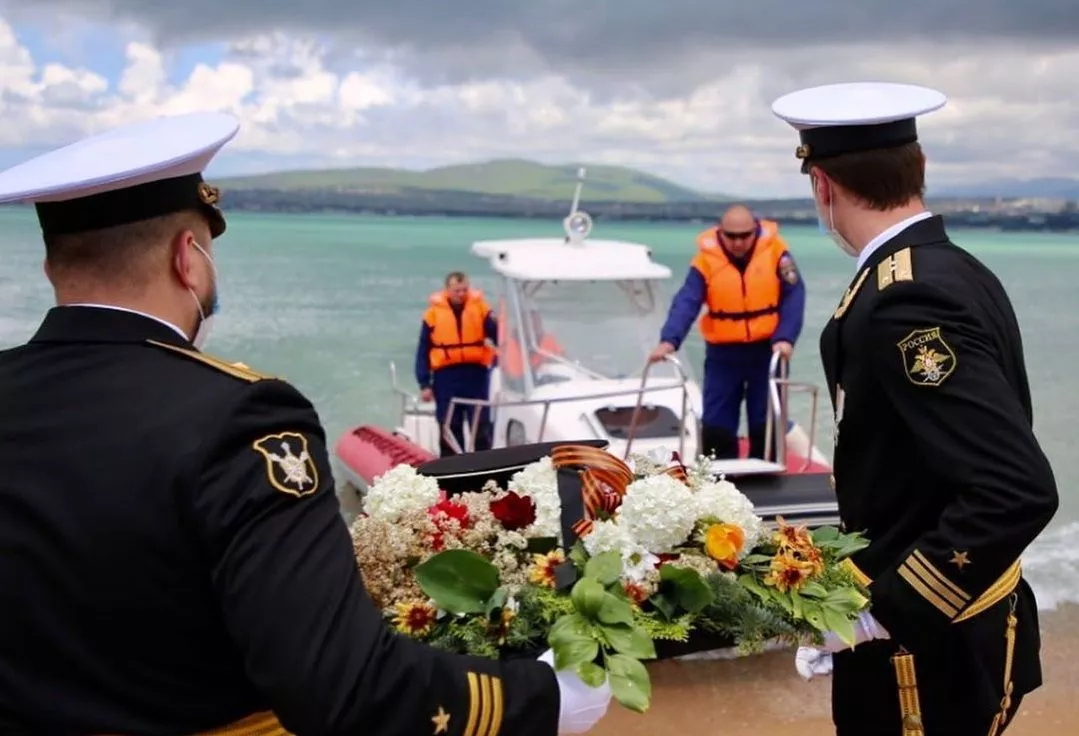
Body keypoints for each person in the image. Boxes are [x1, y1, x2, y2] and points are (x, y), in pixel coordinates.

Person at [0, 113, 611, 735]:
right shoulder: (241, 417)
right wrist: (545, 699)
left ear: (54, 268)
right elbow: (341, 687)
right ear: (189, 258)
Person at [771, 81, 1058, 735]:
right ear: (917, 169)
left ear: (821, 184)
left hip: (925, 658)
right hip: (964, 631)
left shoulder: (907, 300)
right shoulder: (949, 269)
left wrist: (883, 613)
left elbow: (1014, 489)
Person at [648, 204, 806, 460]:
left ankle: (767, 475)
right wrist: (669, 341)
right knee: (716, 419)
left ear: (755, 230)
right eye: (731, 236)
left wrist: (786, 338)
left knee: (765, 418)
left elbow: (794, 296)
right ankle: (719, 474)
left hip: (767, 350)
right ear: (720, 233)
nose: (738, 242)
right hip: (723, 353)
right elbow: (686, 301)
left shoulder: (777, 253)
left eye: (745, 236)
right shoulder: (705, 261)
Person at [416, 271, 498, 455]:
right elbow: (423, 351)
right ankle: (451, 468)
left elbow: (499, 335)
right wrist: (424, 383)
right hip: (446, 377)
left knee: (481, 424)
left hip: (475, 374)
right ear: (448, 290)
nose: (461, 294)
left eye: (464, 290)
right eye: (457, 290)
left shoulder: (481, 309)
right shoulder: (432, 315)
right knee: (449, 425)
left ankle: (485, 466)